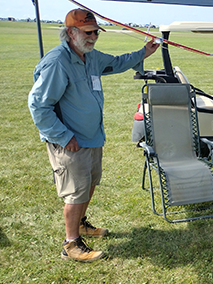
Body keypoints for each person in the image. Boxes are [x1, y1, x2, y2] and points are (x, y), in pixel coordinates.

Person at [28, 9, 159, 262]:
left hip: (91, 137)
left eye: (96, 32)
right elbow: (38, 106)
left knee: (89, 184)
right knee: (76, 191)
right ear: (71, 33)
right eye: (88, 33)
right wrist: (64, 136)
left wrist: (144, 53)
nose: (94, 37)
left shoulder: (90, 57)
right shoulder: (57, 63)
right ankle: (71, 243)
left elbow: (117, 63)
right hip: (70, 142)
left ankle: (81, 224)